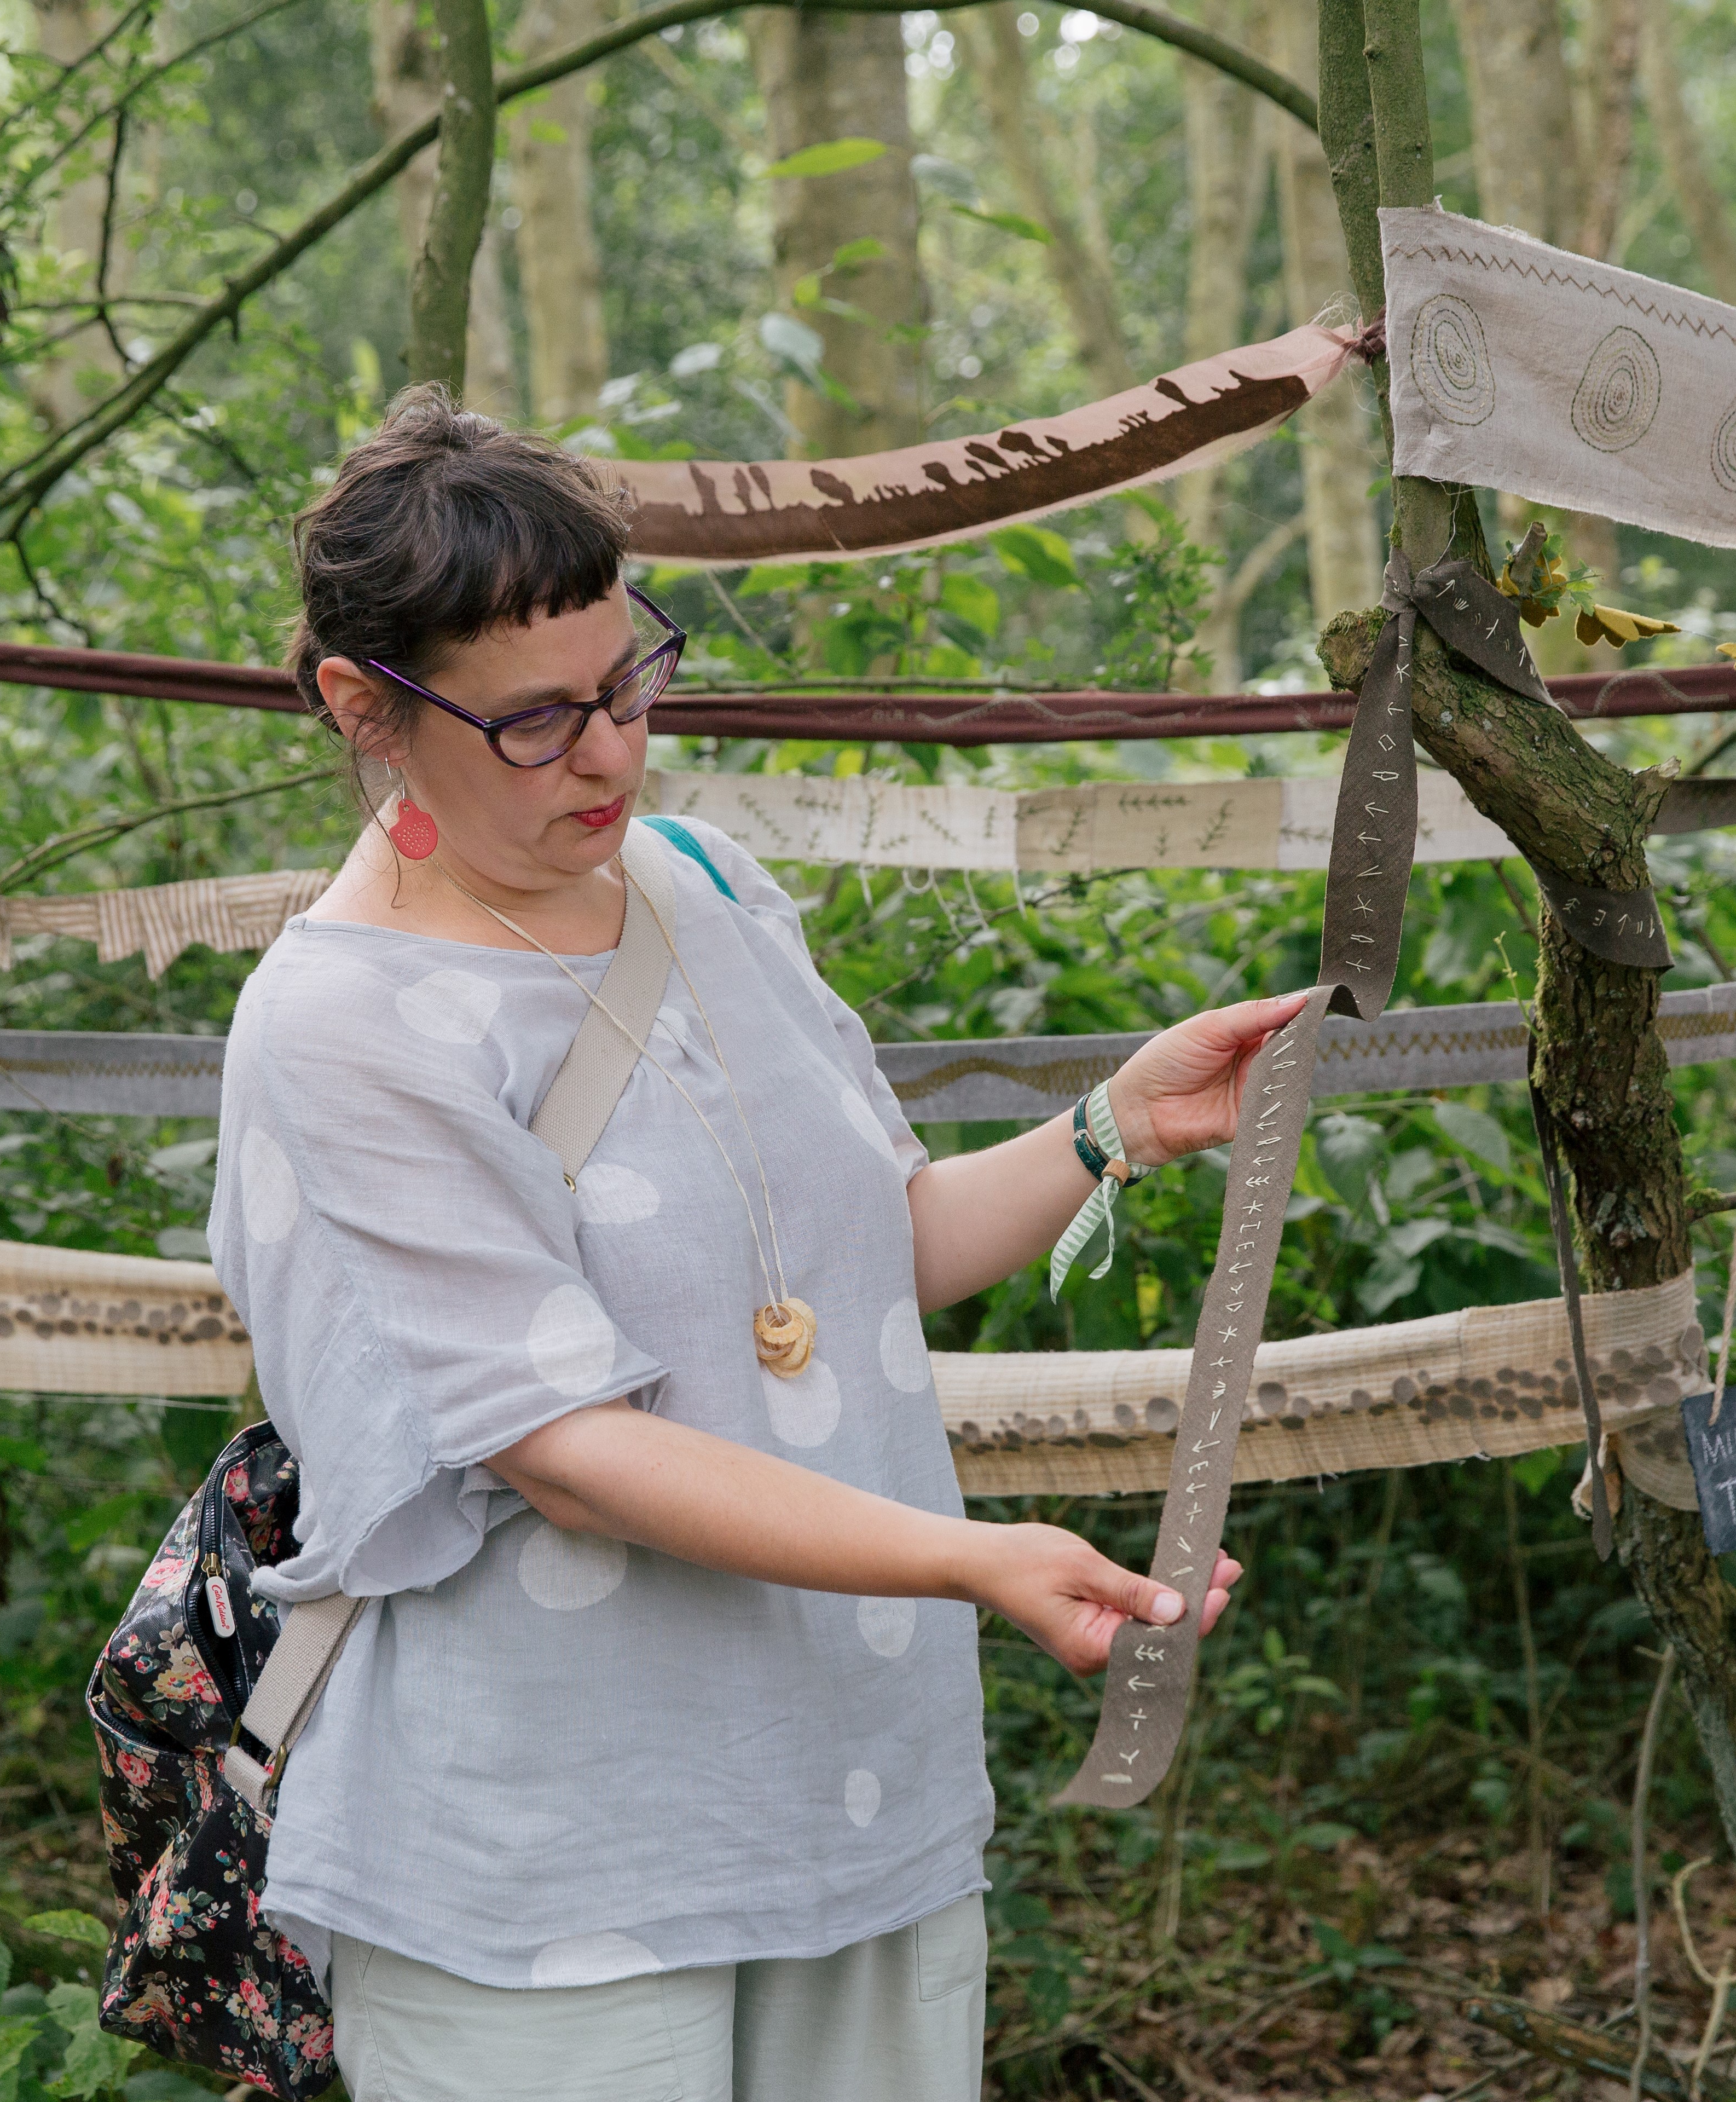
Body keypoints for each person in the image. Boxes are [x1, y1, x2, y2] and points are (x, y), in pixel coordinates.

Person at [209, 389, 1306, 2102]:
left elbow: (873, 1256)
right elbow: (564, 1452)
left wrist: (1112, 1131)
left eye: (629, 679)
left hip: (857, 1791)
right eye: (535, 722)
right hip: (557, 1855)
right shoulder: (341, 1025)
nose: (611, 754)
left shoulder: (704, 883)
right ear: (367, 705)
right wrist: (971, 1559)